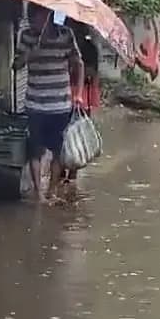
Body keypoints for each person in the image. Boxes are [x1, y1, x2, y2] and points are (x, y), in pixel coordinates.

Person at [13, 4, 84, 204]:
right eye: (36, 16)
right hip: (35, 104)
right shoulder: (26, 36)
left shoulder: (66, 34)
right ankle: (39, 194)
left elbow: (78, 63)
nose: (40, 20)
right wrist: (29, 52)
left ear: (50, 15)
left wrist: (78, 93)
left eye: (43, 15)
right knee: (35, 151)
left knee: (58, 151)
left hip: (60, 105)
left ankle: (52, 191)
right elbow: (16, 65)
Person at [60, 22, 101, 193]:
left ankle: (72, 172)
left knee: (77, 132)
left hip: (82, 93)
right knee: (64, 132)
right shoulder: (66, 44)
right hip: (67, 91)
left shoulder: (89, 49)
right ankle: (64, 170)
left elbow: (92, 73)